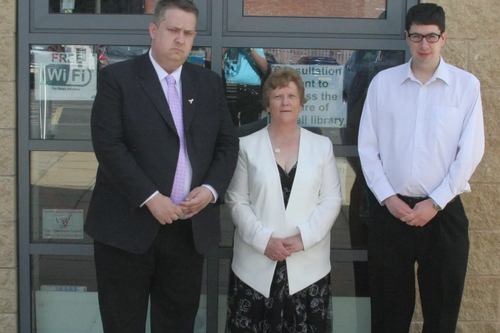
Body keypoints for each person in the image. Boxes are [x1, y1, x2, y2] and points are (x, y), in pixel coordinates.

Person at [84, 1, 239, 332]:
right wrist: (150, 196)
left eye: (188, 33)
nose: (180, 40)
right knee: (123, 324)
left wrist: (210, 191)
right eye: (173, 30)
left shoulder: (208, 84)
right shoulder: (117, 79)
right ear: (153, 31)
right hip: (127, 227)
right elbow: (108, 146)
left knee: (177, 324)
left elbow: (227, 144)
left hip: (187, 229)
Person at [358, 3, 484, 333]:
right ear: (406, 37)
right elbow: (367, 148)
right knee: (388, 312)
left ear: (444, 38)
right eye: (417, 36)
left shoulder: (466, 86)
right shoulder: (383, 84)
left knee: (442, 312)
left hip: (443, 214)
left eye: (431, 37)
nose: (424, 45)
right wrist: (387, 198)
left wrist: (436, 201)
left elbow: (470, 151)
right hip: (392, 213)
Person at [225, 67, 343, 333]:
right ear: (267, 104)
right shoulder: (247, 146)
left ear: (301, 103)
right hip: (255, 267)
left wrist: (305, 238)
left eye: (291, 95)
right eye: (278, 96)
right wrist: (263, 240)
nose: (285, 102)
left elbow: (332, 199)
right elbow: (236, 200)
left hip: (307, 267)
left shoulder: (322, 146)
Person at [224, 47, 268, 126]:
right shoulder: (230, 47)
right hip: (231, 87)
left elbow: (264, 67)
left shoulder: (254, 46)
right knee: (229, 123)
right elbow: (212, 60)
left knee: (250, 124)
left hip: (250, 89)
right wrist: (224, 49)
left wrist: (250, 49)